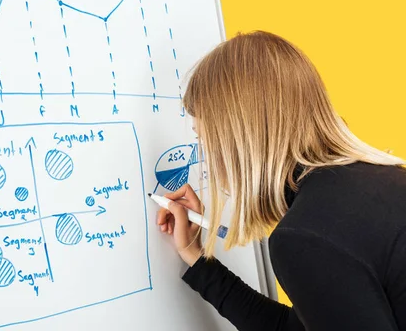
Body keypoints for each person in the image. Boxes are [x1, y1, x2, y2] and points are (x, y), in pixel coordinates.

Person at [157, 31, 406, 330]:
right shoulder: (385, 181)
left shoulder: (308, 236)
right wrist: (197, 259)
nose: (204, 155)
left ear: (236, 138)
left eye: (203, 137)